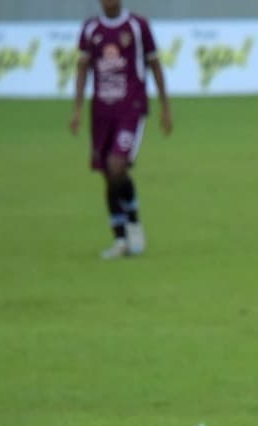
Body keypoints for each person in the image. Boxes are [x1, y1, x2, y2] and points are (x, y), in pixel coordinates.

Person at [69, 0, 171, 259]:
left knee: (117, 166)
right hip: (101, 112)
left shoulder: (138, 26)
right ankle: (119, 239)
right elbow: (82, 68)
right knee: (108, 174)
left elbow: (155, 65)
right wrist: (77, 110)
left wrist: (165, 107)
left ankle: (133, 222)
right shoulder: (91, 28)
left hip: (131, 109)